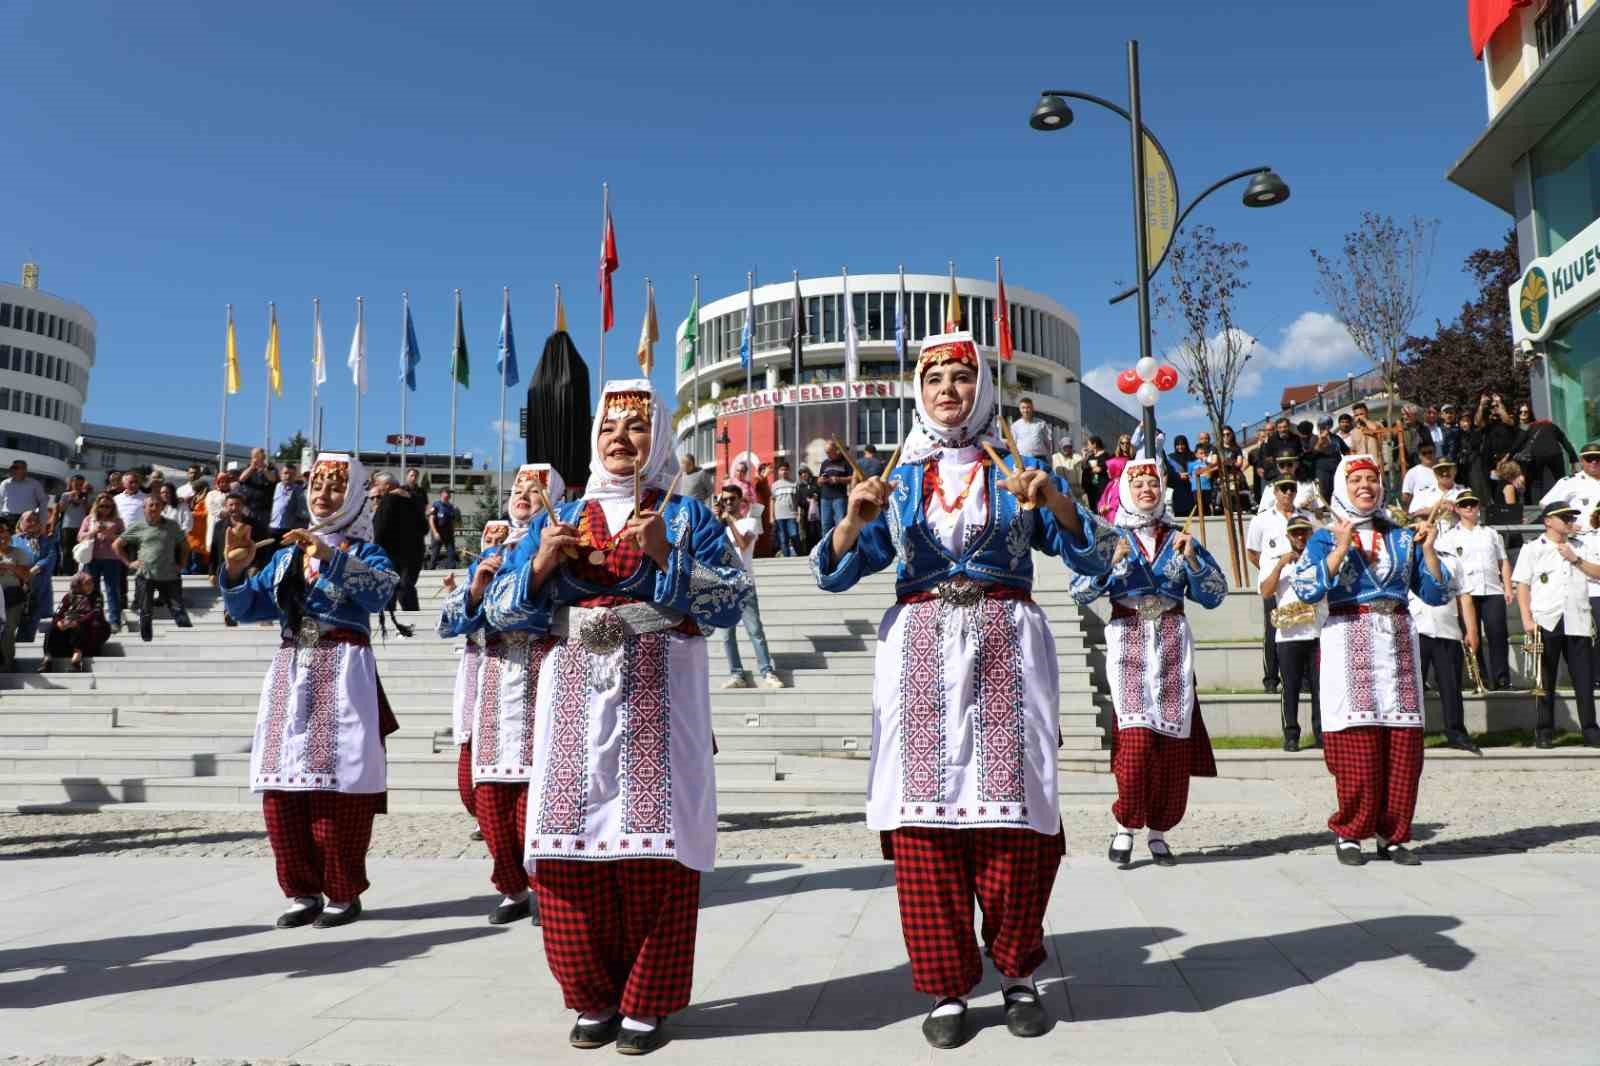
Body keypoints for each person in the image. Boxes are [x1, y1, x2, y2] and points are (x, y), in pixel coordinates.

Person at [813, 331, 1114, 1049]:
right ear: (919, 393)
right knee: (926, 822)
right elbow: (835, 574)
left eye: (961, 376)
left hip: (1006, 649)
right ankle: (948, 982)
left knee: (1012, 817)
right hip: (919, 654)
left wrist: (1058, 506)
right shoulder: (902, 482)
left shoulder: (1022, 470)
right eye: (936, 378)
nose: (948, 388)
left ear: (982, 389)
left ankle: (1016, 971)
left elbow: (1098, 558)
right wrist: (854, 521)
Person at [484, 379, 750, 1055]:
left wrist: (665, 552)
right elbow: (500, 614)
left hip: (657, 687)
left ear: (658, 436)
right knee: (566, 851)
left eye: (637, 427)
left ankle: (648, 1000)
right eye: (609, 427)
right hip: (573, 683)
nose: (621, 438)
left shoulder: (686, 515)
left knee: (653, 850)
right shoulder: (559, 514)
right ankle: (589, 993)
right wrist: (542, 562)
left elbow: (729, 604)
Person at [221, 452, 400, 929]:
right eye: (317, 486)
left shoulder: (367, 552)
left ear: (357, 495)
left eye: (336, 488)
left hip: (342, 668)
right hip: (290, 668)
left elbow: (382, 593)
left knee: (337, 784)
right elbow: (247, 609)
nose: (323, 495)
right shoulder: (283, 554)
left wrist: (329, 557)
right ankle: (300, 890)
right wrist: (236, 570)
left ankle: (343, 891)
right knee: (280, 786)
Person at [1291, 454, 1452, 866]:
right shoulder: (1324, 537)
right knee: (1358, 741)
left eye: (1372, 479)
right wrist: (1341, 547)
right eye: (1356, 479)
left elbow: (1436, 594)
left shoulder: (1402, 537)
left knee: (1402, 745)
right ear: (1342, 488)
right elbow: (1307, 590)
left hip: (1397, 640)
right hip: (1350, 639)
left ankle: (1394, 835)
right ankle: (1351, 832)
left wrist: (1430, 551)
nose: (1366, 486)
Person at [1073, 455, 1226, 868]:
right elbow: (1079, 590)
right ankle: (1125, 826)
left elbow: (1215, 594)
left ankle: (1159, 832)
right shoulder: (1110, 537)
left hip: (1174, 644)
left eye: (1153, 485)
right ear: (1125, 491)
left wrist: (1193, 560)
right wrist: (1107, 566)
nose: (1146, 491)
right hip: (1129, 644)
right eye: (1138, 485)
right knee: (1136, 741)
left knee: (1171, 744)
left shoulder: (1181, 537)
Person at [440, 463, 564, 925]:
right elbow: (449, 621)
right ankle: (511, 887)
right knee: (490, 796)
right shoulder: (490, 552)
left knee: (538, 791)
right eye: (517, 489)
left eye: (535, 490)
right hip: (494, 675)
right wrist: (475, 590)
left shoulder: (561, 545)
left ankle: (545, 887)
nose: (523, 497)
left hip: (540, 669)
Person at [1512, 500, 1600, 749]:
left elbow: (1598, 572)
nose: (1570, 522)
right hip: (1546, 620)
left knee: (1583, 679)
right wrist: (1527, 619)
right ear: (1548, 521)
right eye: (1565, 518)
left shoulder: (1581, 546)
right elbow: (1523, 585)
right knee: (1545, 680)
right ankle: (1544, 730)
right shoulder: (1532, 549)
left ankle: (1590, 730)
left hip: (1578, 619)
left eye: (1572, 518)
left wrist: (1575, 560)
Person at [1408, 512, 1481, 755]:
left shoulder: (1451, 560)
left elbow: (1464, 595)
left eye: (1429, 526)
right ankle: (1410, 737)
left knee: (1451, 686)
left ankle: (1456, 732)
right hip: (1414, 629)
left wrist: (1471, 630)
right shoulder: (1405, 558)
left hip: (1447, 629)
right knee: (1411, 688)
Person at [1258, 514, 1324, 750]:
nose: (1299, 537)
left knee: (1320, 688)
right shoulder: (1276, 558)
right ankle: (1291, 734)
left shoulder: (1320, 557)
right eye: (1295, 533)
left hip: (1317, 632)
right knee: (1290, 687)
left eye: (1303, 532)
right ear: (1288, 536)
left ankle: (1321, 735)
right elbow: (1266, 592)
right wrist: (1280, 565)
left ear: (1310, 534)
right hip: (1288, 634)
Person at [1439, 490, 1513, 691]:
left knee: (1498, 633)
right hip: (1465, 593)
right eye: (1464, 505)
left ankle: (1502, 678)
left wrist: (1507, 587)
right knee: (1472, 636)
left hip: (1492, 589)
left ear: (1478, 506)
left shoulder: (1491, 533)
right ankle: (1480, 678)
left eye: (1472, 503)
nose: (1469, 507)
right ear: (1456, 509)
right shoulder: (1449, 537)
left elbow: (1503, 561)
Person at [713, 483, 784, 690]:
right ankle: (737, 674)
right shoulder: (719, 527)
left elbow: (743, 545)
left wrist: (730, 521)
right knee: (727, 635)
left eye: (731, 499)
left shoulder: (751, 522)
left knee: (754, 630)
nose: (727, 503)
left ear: (740, 501)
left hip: (744, 583)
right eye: (723, 500)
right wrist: (716, 520)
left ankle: (767, 671)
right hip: (722, 585)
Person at [1247, 477, 1313, 694]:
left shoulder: (1306, 517)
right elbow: (1252, 553)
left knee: (1301, 628)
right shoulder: (1262, 520)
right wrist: (1271, 572)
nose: (1287, 493)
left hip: (1300, 582)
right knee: (1271, 629)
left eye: (1292, 488)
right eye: (1283, 489)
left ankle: (1303, 679)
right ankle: (1270, 678)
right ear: (1275, 492)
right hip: (1275, 581)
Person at [117, 494, 192, 641]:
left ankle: (187, 640)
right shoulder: (138, 526)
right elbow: (117, 545)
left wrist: (182, 564)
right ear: (144, 508)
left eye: (157, 505)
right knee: (145, 611)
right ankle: (146, 642)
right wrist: (129, 563)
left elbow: (185, 546)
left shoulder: (172, 525)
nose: (154, 508)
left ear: (162, 508)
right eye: (150, 505)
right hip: (146, 575)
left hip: (170, 575)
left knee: (178, 610)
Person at [371, 473, 423, 626]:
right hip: (413, 553)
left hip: (390, 553)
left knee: (391, 589)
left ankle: (387, 623)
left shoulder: (387, 500)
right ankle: (415, 622)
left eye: (377, 485)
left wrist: (375, 550)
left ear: (387, 486)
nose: (377, 490)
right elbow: (424, 527)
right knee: (406, 587)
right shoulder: (414, 499)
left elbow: (379, 528)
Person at [39, 570, 111, 672]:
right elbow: (58, 614)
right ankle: (47, 660)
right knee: (52, 629)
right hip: (70, 629)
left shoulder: (96, 595)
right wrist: (59, 623)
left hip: (90, 630)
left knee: (80, 626)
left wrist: (77, 622)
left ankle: (76, 660)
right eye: (87, 583)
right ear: (78, 585)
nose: (91, 585)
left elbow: (95, 613)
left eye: (91, 582)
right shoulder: (69, 596)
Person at [78, 494, 127, 631]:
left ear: (113, 507)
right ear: (96, 506)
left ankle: (114, 621)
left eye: (108, 506)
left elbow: (125, 539)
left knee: (112, 591)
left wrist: (110, 535)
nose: (105, 509)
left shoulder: (118, 521)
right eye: (102, 506)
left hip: (112, 559)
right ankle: (93, 619)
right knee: (92, 591)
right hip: (92, 558)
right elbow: (80, 537)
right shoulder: (89, 519)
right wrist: (93, 531)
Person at [12, 509, 56, 644]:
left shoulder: (46, 540)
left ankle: (22, 648)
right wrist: (20, 572)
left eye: (35, 520)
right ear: (21, 523)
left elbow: (51, 557)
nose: (32, 523)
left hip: (38, 586)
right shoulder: (13, 540)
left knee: (31, 619)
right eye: (28, 520)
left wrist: (33, 571)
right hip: (16, 585)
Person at [0, 518, 30, 671]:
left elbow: (27, 576)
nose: (2, 535)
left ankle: (6, 665)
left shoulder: (19, 553)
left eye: (5, 531)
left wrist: (11, 567)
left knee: (8, 630)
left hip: (13, 597)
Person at [53, 474, 91, 577]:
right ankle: (66, 572)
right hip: (68, 525)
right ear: (71, 483)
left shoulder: (85, 495)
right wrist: (69, 499)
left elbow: (89, 511)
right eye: (76, 483)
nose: (78, 486)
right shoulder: (65, 495)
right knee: (67, 550)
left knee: (81, 549)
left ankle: (79, 571)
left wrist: (84, 501)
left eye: (80, 484)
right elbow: (60, 510)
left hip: (82, 526)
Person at [816, 440, 853, 540]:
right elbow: (818, 481)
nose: (827, 454)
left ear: (836, 450)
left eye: (829, 452)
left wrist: (838, 479)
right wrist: (821, 480)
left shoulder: (845, 461)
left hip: (839, 497)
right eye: (826, 452)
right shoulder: (825, 463)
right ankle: (826, 547)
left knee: (841, 523)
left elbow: (853, 478)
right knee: (825, 525)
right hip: (825, 497)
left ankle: (841, 545)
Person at [235, 448, 276, 536]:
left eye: (258, 456)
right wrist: (252, 467)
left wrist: (264, 469)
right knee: (248, 534)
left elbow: (273, 479)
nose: (256, 458)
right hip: (249, 509)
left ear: (263, 457)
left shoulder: (270, 468)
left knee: (263, 534)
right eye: (254, 456)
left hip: (264, 510)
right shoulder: (248, 468)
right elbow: (241, 478)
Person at [270, 465, 309, 545]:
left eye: (292, 474)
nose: (288, 476)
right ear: (281, 474)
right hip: (272, 528)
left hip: (288, 530)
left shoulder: (299, 490)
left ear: (296, 476)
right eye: (286, 473)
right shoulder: (276, 486)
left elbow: (303, 512)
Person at [768, 460, 800, 557]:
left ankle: (800, 555)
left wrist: (798, 514)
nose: (784, 472)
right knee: (783, 538)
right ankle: (786, 558)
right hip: (779, 516)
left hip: (791, 514)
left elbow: (797, 501)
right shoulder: (774, 485)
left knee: (794, 535)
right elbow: (772, 501)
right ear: (778, 471)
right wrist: (771, 516)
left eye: (786, 470)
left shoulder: (793, 484)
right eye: (782, 470)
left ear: (789, 471)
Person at [1400, 442, 1438, 512]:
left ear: (1435, 453)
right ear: (1419, 456)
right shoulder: (1413, 472)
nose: (1428, 455)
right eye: (1424, 453)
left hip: (1440, 513)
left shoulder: (1442, 471)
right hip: (1419, 515)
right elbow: (1405, 497)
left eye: (1430, 452)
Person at [427, 488, 460, 569]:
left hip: (449, 534)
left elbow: (454, 521)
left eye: (449, 493)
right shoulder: (436, 505)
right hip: (438, 534)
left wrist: (455, 528)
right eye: (447, 493)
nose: (449, 495)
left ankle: (452, 571)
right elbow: (431, 519)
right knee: (435, 554)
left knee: (451, 554)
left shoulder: (452, 507)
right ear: (441, 494)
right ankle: (430, 570)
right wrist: (435, 532)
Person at [1165, 435, 1197, 518]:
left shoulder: (1192, 456)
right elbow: (1168, 472)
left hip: (1190, 487)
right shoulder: (1171, 457)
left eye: (1182, 444)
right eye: (1178, 445)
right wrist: (1179, 475)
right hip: (1177, 489)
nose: (1180, 447)